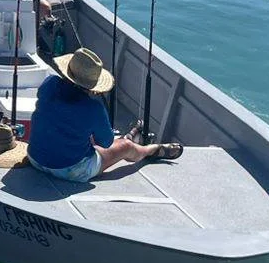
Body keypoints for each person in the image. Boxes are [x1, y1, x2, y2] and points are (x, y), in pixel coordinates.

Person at [26, 48, 180, 183]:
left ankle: (131, 139)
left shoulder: (49, 84)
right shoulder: (93, 108)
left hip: (35, 158)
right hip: (69, 171)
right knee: (125, 147)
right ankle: (151, 150)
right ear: (92, 85)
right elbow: (106, 143)